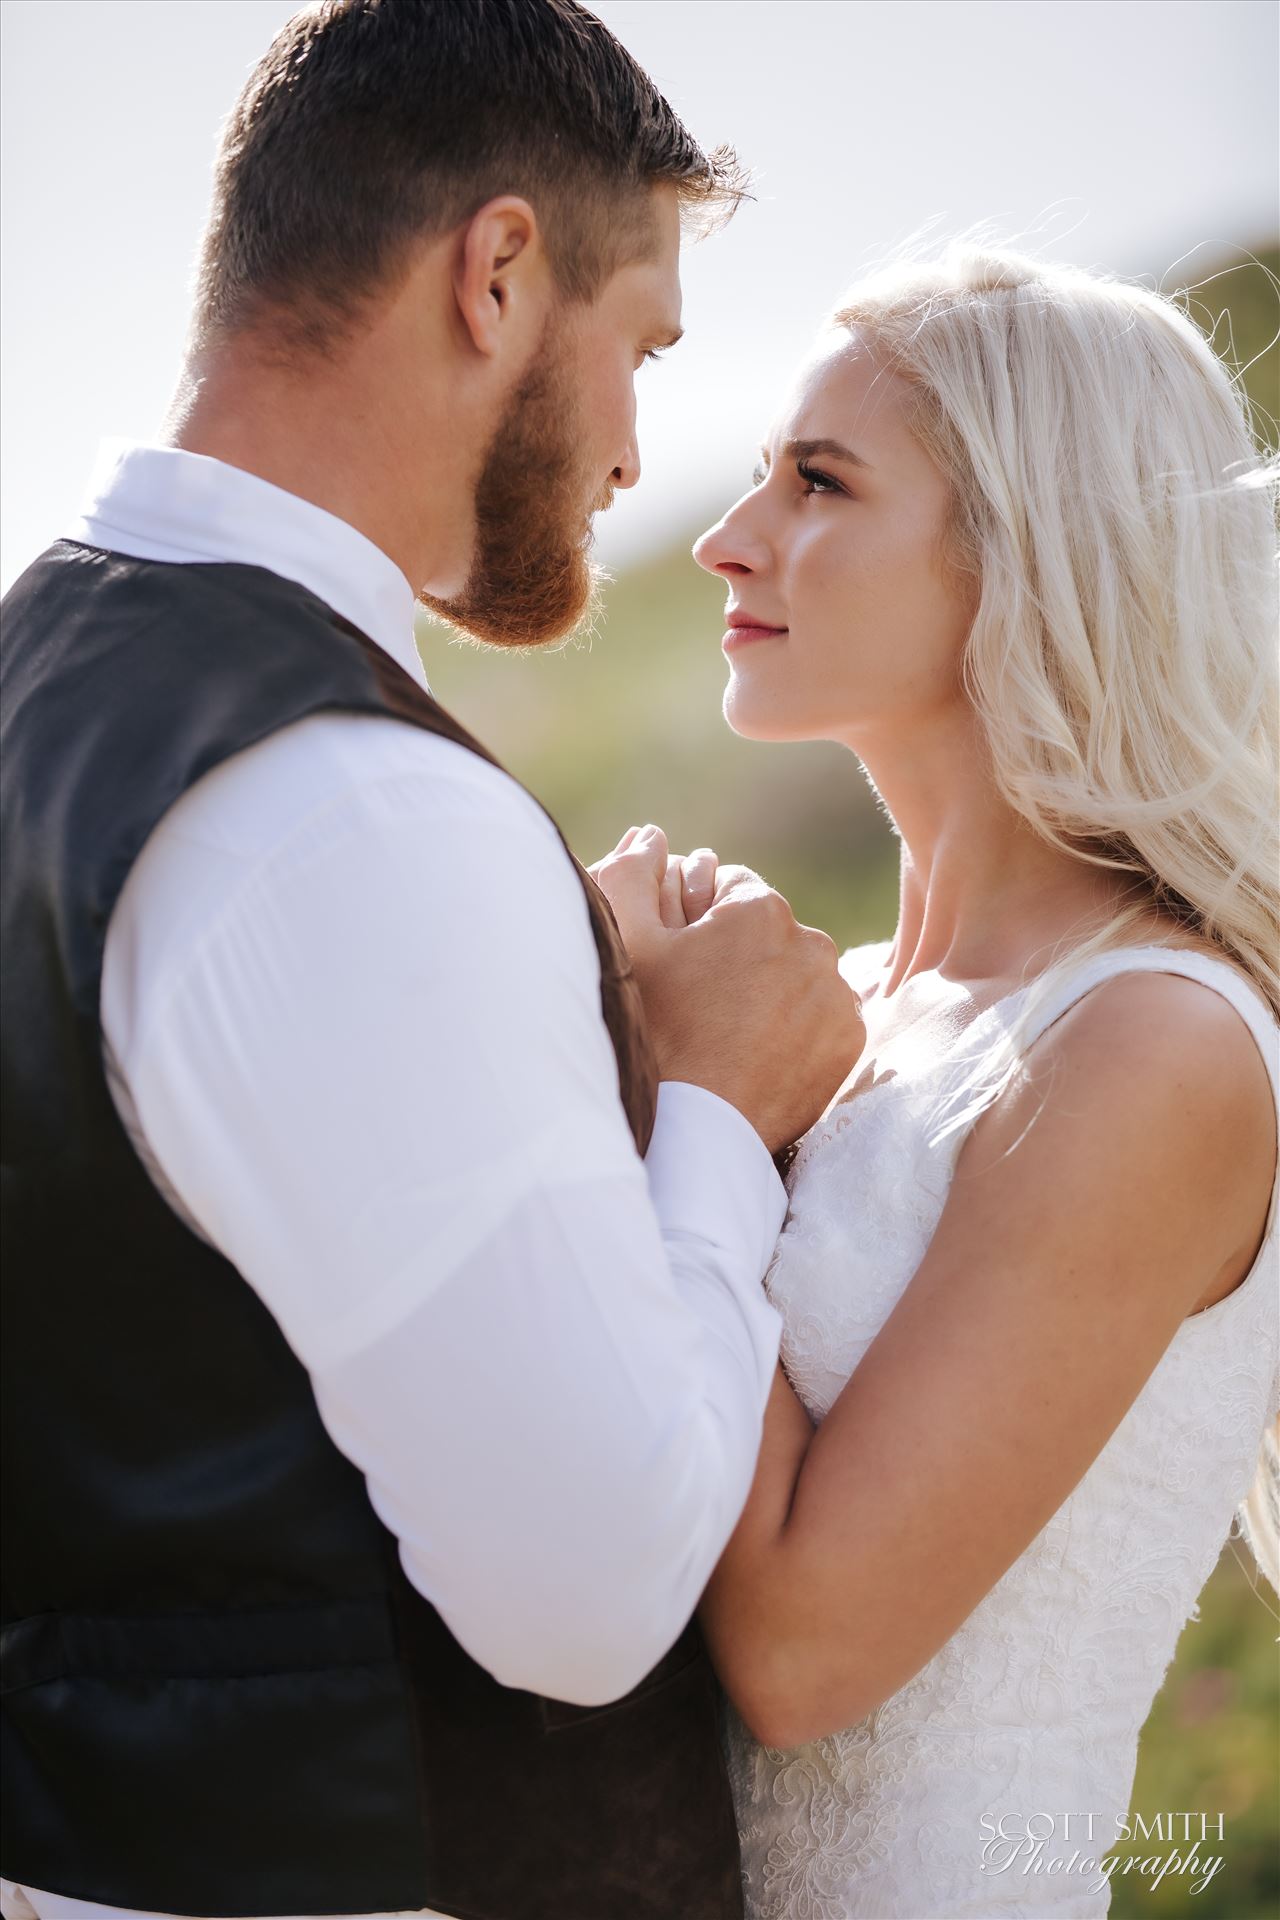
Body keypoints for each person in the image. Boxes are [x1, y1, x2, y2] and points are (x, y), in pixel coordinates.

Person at [0, 4, 863, 1918]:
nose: (643, 448)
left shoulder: (36, 688)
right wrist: (710, 1098)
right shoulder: (355, 811)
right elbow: (590, 1594)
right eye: (642, 344)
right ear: (495, 273)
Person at [595, 241, 1280, 1918]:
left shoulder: (1158, 1046)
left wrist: (708, 1107)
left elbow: (804, 1655)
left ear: (1030, 554)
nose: (724, 539)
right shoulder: (835, 1007)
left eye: (819, 482)